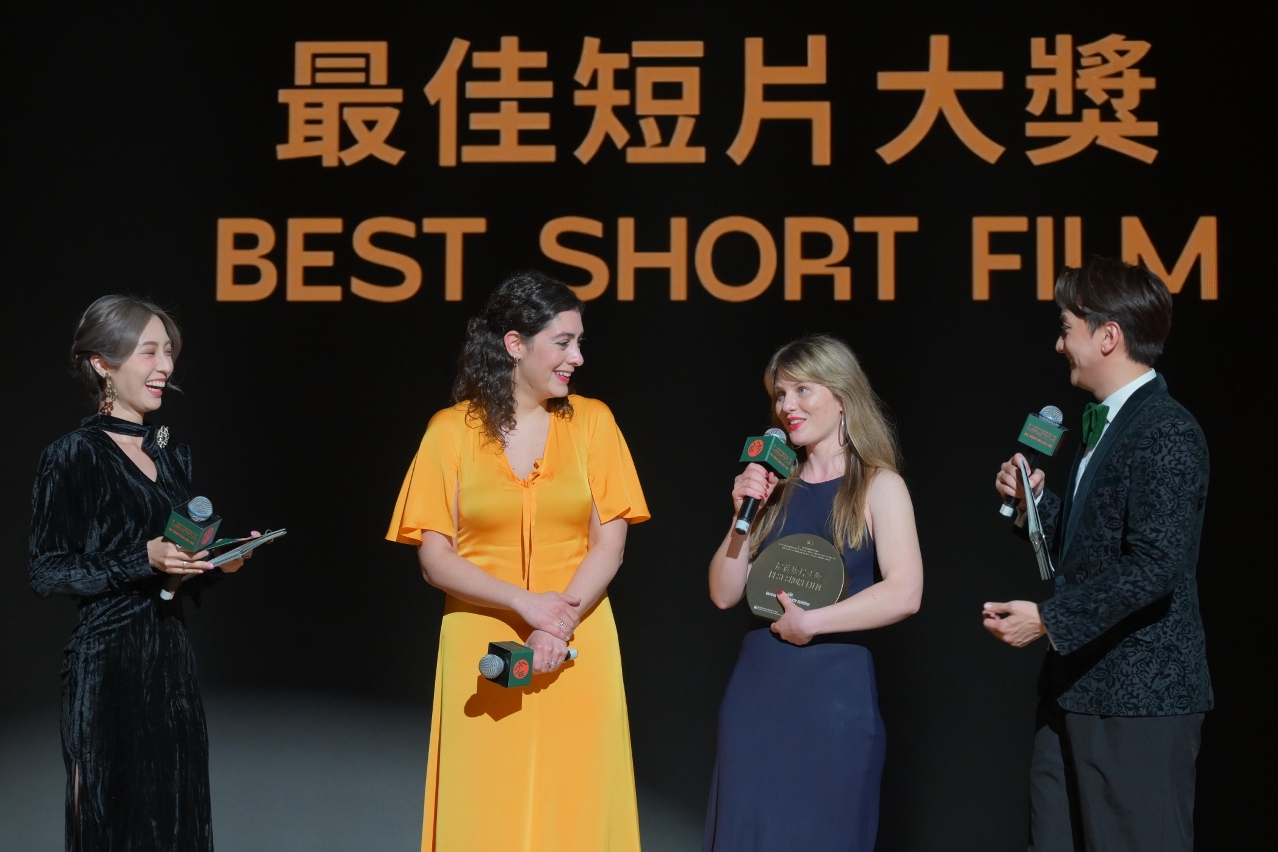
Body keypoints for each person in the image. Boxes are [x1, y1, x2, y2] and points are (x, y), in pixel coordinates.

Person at [386, 271, 650, 852]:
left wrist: (556, 623)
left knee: (576, 806)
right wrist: (524, 603)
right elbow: (435, 557)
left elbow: (609, 544)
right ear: (515, 344)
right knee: (485, 809)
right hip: (482, 641)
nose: (577, 357)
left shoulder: (595, 422)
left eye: (579, 343)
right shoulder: (449, 432)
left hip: (578, 638)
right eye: (563, 342)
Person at [986, 257, 1211, 852]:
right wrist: (1036, 504)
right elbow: (1096, 550)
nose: (1059, 344)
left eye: (1066, 328)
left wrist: (1049, 620)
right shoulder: (1108, 426)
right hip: (1075, 691)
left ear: (1108, 336)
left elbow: (1157, 564)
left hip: (1138, 701)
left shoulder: (1166, 429)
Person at [30, 295, 250, 852]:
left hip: (171, 665)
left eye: (169, 352)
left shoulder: (172, 453)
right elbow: (47, 571)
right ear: (102, 363)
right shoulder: (72, 455)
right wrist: (141, 557)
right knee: (112, 825)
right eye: (149, 351)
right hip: (108, 668)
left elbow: (177, 565)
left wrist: (220, 561)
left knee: (177, 822)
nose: (166, 366)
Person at [704, 335, 923, 852]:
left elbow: (905, 592)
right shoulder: (774, 486)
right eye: (780, 394)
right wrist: (741, 517)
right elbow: (724, 593)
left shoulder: (879, 485)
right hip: (758, 697)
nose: (788, 406)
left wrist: (812, 623)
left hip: (833, 700)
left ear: (842, 396)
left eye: (803, 390)